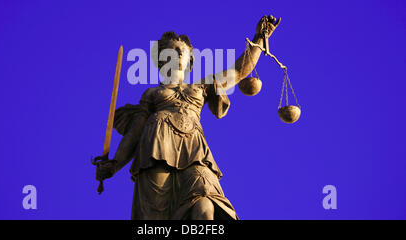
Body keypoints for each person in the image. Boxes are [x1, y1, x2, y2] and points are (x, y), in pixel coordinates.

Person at [96, 15, 281, 219]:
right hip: (156, 150)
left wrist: (260, 38)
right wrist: (115, 164)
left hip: (195, 152)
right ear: (161, 60)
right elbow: (135, 132)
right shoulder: (151, 94)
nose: (174, 55)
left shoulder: (202, 86)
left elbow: (238, 71)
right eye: (168, 51)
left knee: (206, 203)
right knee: (156, 217)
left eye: (179, 51)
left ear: (189, 59)